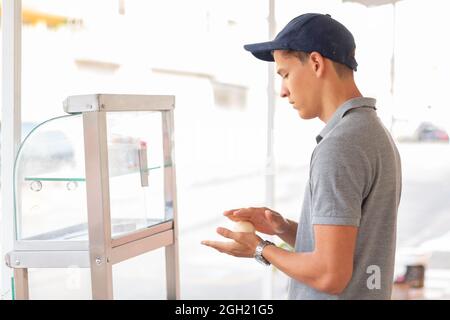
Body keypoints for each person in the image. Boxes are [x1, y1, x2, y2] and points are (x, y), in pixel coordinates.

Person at [201, 13, 402, 300]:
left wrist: (259, 248)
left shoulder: (340, 145)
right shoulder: (370, 130)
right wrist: (284, 229)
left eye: (285, 74)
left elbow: (330, 274)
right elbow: (350, 247)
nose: (282, 91)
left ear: (317, 63)